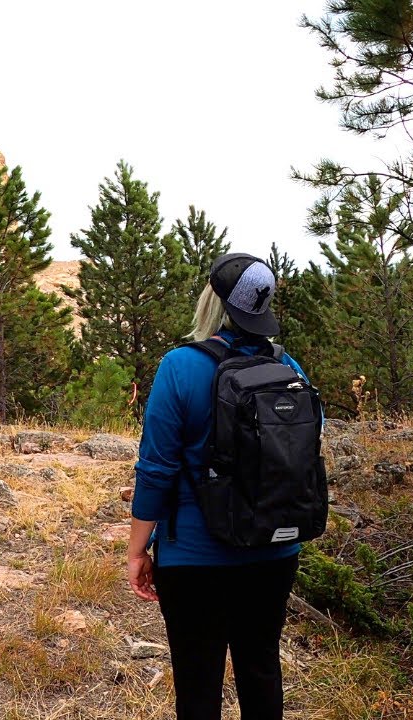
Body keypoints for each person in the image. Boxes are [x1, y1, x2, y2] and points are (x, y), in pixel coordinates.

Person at [126, 253, 307, 720]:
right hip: (274, 550)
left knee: (197, 681)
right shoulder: (290, 368)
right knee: (261, 668)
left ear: (214, 301)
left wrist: (137, 549)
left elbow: (156, 469)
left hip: (194, 556)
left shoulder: (180, 367)